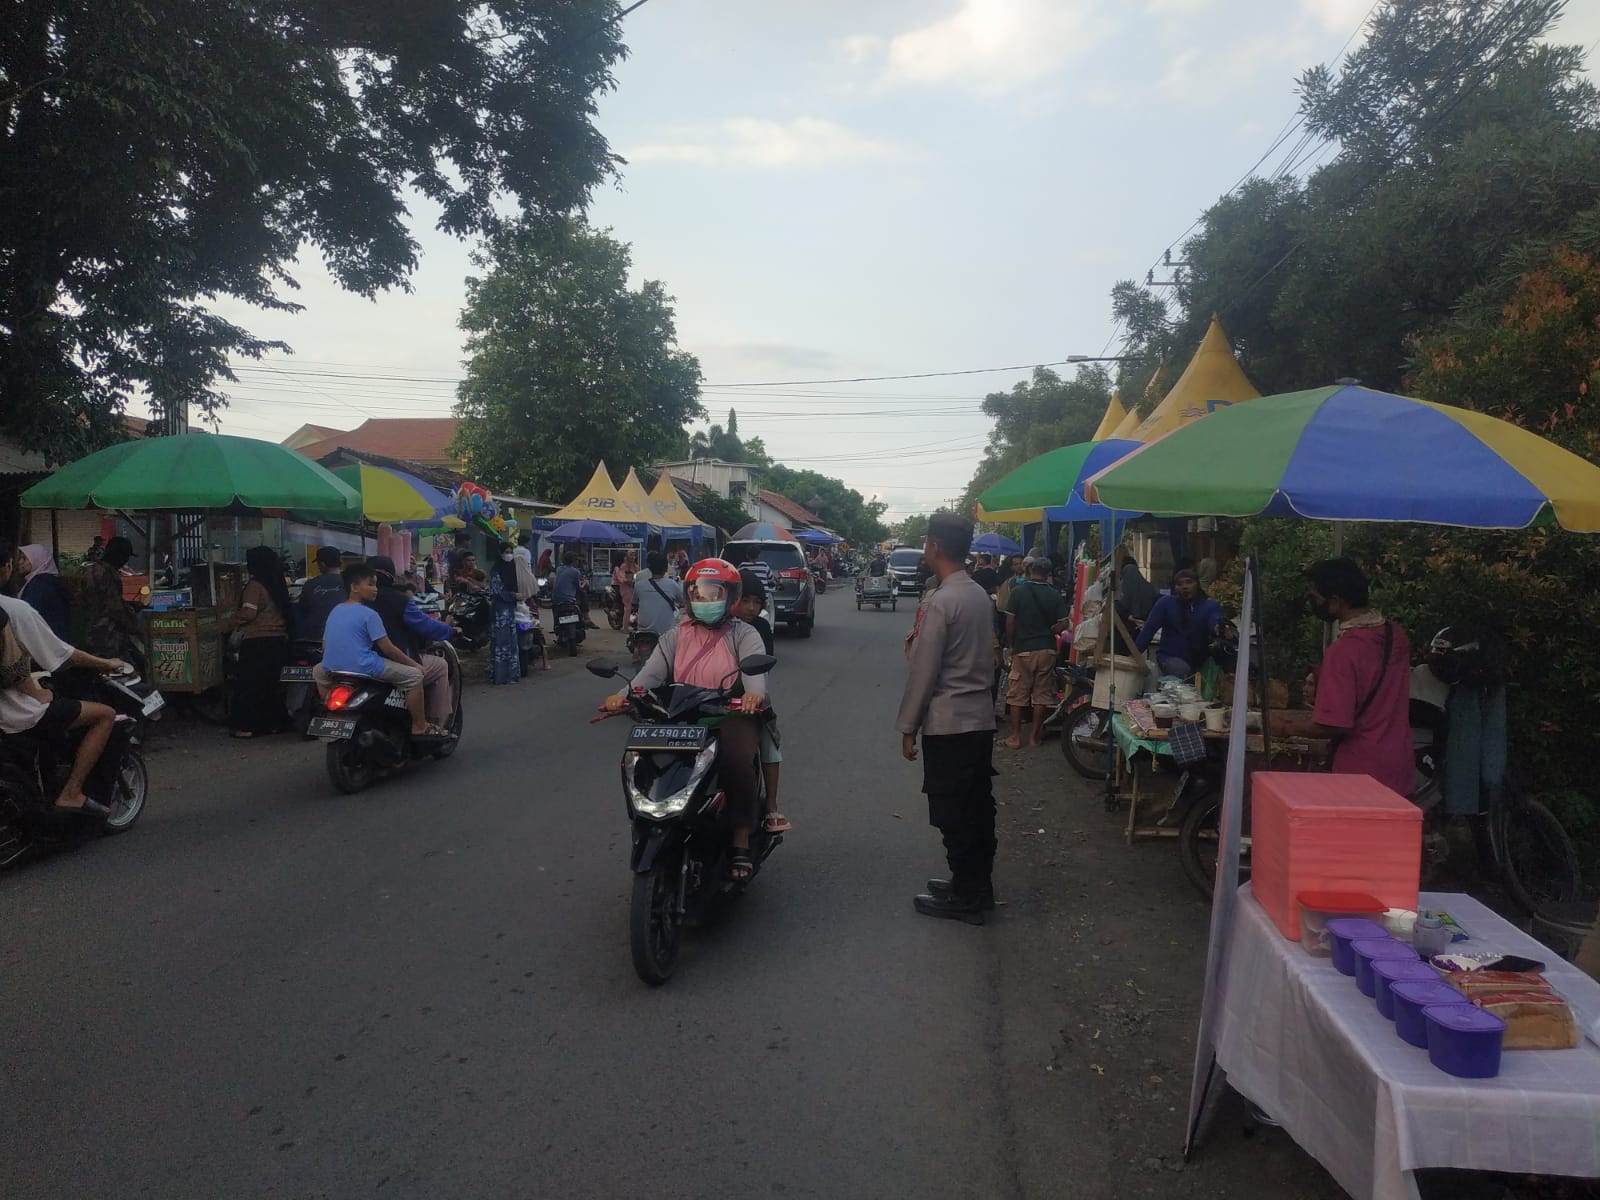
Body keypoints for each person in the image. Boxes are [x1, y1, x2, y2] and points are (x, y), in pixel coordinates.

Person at [602, 559, 766, 878]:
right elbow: (651, 673)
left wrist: (752, 695)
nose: (705, 600)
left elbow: (755, 675)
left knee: (738, 759)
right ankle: (650, 818)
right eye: (698, 593)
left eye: (713, 593)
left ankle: (741, 836)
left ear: (731, 596)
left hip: (728, 714)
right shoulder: (676, 635)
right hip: (680, 713)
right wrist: (622, 696)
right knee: (640, 757)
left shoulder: (744, 634)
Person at [897, 512, 999, 924]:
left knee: (952, 810)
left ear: (935, 546)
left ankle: (968, 896)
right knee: (976, 806)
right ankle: (975, 885)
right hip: (979, 718)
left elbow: (924, 670)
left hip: (949, 722)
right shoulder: (976, 594)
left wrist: (908, 727)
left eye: (926, 543)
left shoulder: (941, 600)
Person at [0, 539, 126, 812]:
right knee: (104, 714)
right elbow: (59, 654)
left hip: (33, 674)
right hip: (14, 711)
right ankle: (71, 792)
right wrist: (105, 663)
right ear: (6, 568)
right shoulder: (16, 608)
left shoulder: (37, 588)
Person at [1275, 559, 1413, 796]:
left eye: (1316, 598)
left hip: (1360, 774)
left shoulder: (1343, 652)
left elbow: (1333, 724)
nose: (1313, 603)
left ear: (1336, 602)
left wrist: (1286, 728)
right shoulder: (1396, 635)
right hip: (1398, 767)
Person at [316, 563, 440, 737]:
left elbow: (325, 645)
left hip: (332, 666)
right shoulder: (369, 614)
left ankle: (331, 710)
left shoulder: (335, 610)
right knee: (414, 677)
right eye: (370, 584)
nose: (375, 589)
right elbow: (388, 648)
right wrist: (415, 665)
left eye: (375, 584)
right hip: (364, 667)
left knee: (317, 672)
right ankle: (419, 725)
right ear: (354, 587)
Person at [364, 556, 456, 728]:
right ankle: (429, 725)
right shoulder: (398, 601)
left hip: (354, 663)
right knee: (439, 666)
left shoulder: (352, 601)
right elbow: (425, 627)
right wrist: (450, 630)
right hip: (385, 662)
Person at [736, 569, 790, 835]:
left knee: (769, 742)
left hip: (748, 698)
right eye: (746, 600)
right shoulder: (697, 626)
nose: (751, 608)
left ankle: (771, 804)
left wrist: (752, 693)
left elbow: (762, 670)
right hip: (703, 697)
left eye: (757, 602)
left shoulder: (757, 628)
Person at [1004, 557, 1071, 749]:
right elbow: (1064, 624)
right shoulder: (1054, 594)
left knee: (1018, 692)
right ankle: (1034, 737)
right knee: (1041, 694)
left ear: (1030, 570)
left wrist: (1011, 645)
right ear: (1047, 574)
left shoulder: (1018, 592)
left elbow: (1010, 623)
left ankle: (1016, 737)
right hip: (1047, 650)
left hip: (1023, 649)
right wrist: (1051, 631)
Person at [230, 546, 294, 738]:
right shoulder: (276, 582)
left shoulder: (255, 585)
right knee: (271, 684)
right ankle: (274, 724)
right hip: (278, 641)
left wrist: (233, 619)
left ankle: (248, 726)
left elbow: (249, 612)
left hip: (256, 641)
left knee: (250, 684)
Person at [1134, 567, 1223, 679]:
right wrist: (1134, 656)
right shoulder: (1166, 604)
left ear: (1197, 585)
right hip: (1170, 658)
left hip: (1200, 662)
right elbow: (1148, 631)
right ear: (1175, 588)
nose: (1184, 587)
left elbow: (1215, 621)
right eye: (1179, 584)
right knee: (1182, 670)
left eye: (1189, 582)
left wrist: (1219, 627)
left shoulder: (1209, 606)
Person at [80, 535, 144, 666]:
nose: (125, 560)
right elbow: (115, 609)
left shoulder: (89, 571)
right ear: (119, 556)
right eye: (125, 556)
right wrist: (137, 628)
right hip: (107, 637)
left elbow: (97, 600)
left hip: (88, 631)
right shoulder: (109, 574)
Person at [16, 544, 70, 641]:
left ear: (38, 560)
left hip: (45, 642)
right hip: (57, 639)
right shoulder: (49, 580)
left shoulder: (39, 585)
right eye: (20, 558)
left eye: (24, 559)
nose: (20, 562)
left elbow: (28, 616)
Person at [487, 541, 522, 685]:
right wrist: (514, 596)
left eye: (510, 552)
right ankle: (501, 676)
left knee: (512, 643)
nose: (508, 555)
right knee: (501, 644)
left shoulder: (513, 568)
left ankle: (512, 675)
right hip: (500, 612)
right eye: (506, 552)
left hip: (510, 611)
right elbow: (496, 592)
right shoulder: (495, 571)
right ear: (500, 553)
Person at [297, 546, 346, 641]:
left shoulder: (311, 584)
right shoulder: (350, 582)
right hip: (345, 633)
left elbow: (302, 609)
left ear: (322, 564)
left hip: (316, 635)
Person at [633, 551, 683, 636]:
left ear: (649, 567)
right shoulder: (672, 585)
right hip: (666, 632)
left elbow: (634, 602)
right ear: (666, 568)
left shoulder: (639, 585)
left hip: (643, 631)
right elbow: (682, 600)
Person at [612, 547, 638, 625]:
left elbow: (638, 574)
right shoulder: (619, 567)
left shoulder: (635, 566)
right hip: (620, 585)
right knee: (627, 606)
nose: (633, 557)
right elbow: (621, 579)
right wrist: (627, 581)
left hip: (632, 586)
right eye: (631, 555)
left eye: (634, 555)